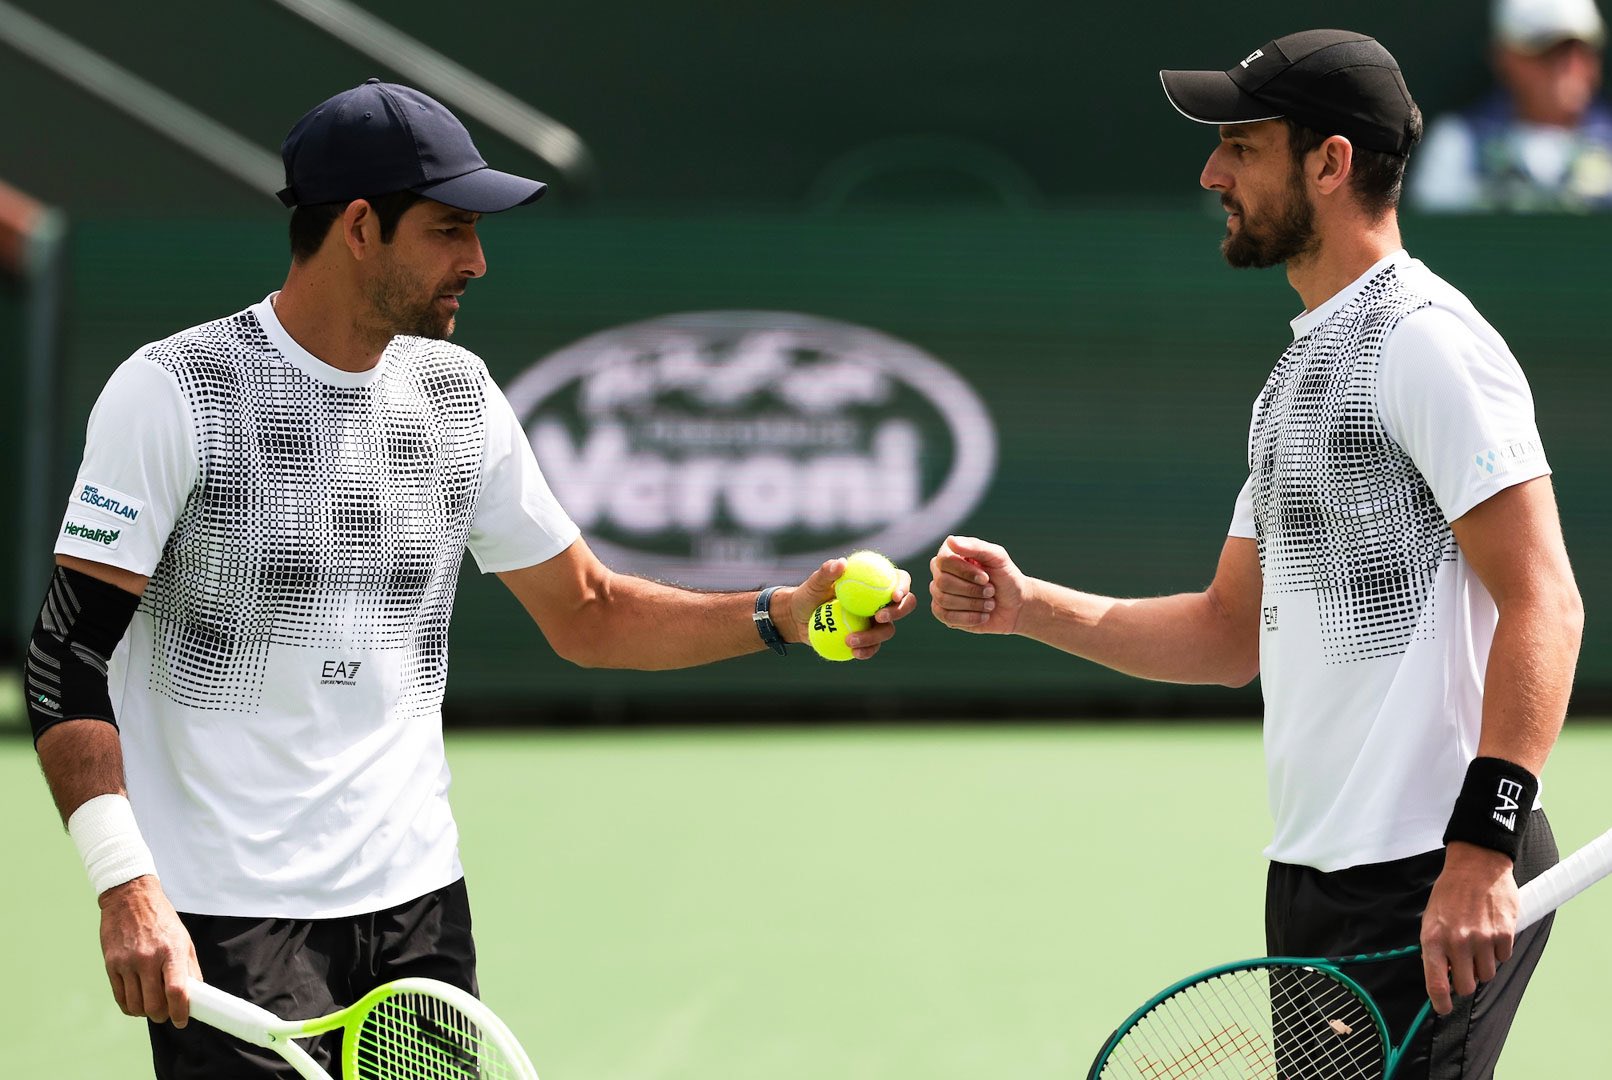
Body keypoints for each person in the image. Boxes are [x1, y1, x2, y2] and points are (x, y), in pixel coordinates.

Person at [26, 78, 917, 1079]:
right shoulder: (176, 390)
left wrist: (784, 615)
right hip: (229, 915)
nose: (477, 261)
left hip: (417, 912)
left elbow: (586, 611)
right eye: (450, 231)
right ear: (360, 227)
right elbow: (67, 654)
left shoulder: (457, 397)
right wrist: (125, 884)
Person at [935, 30, 1581, 1077]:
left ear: (1327, 163)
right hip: (1316, 878)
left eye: (1240, 144)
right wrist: (1025, 608)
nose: (1211, 172)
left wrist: (1480, 850)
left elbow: (1545, 603)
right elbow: (1227, 633)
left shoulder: (1426, 342)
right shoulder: (1296, 376)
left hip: (1430, 872)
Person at [1410, 0, 1612, 211]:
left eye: (1582, 51)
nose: (1571, 66)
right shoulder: (1457, 142)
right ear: (1503, 57)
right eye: (1547, 52)